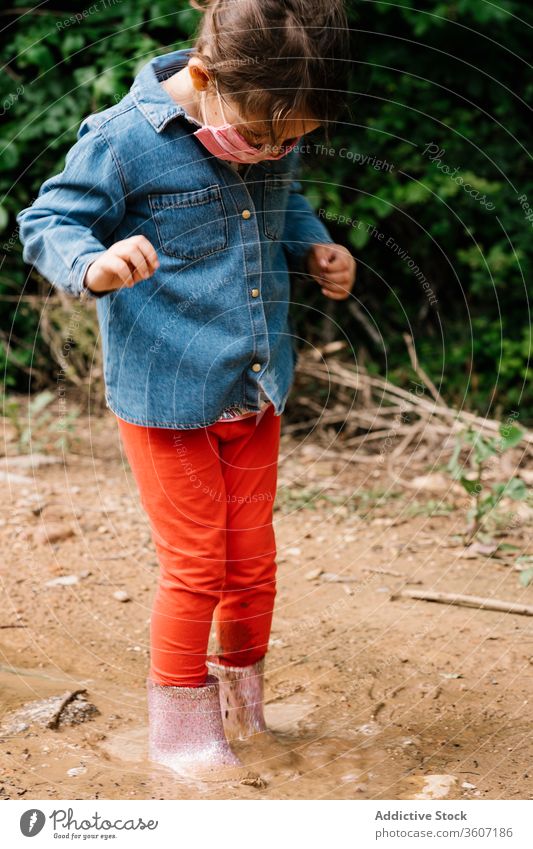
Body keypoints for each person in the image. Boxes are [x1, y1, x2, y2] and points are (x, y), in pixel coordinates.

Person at [17, 0, 356, 783]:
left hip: (255, 380)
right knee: (197, 563)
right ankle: (179, 727)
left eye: (290, 143)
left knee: (253, 560)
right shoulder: (123, 139)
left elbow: (282, 202)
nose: (272, 153)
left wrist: (313, 248)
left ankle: (244, 708)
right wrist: (92, 265)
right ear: (202, 79)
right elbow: (47, 220)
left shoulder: (270, 119)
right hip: (166, 391)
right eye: (263, 137)